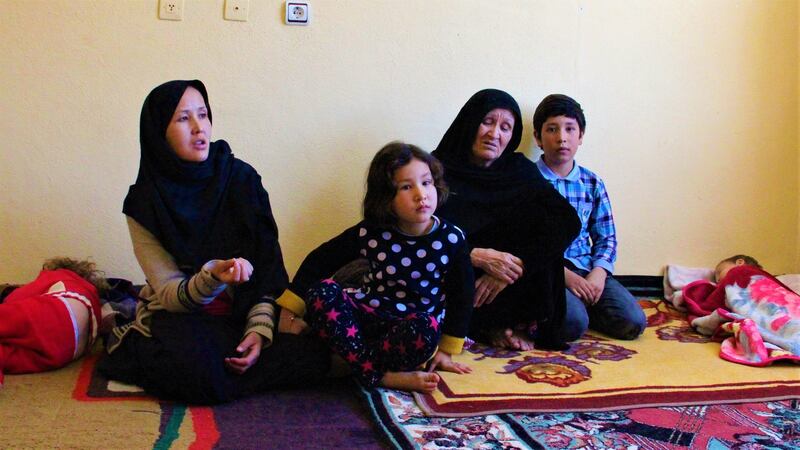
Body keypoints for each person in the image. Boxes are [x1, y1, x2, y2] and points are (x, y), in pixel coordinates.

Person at [97, 80, 330, 404]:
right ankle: (134, 341)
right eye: (182, 119)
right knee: (201, 375)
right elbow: (170, 294)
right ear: (158, 132)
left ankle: (226, 367)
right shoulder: (144, 203)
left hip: (240, 311)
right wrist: (213, 277)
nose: (198, 127)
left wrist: (258, 330)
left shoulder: (242, 180)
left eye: (203, 115)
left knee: (316, 350)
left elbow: (267, 271)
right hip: (182, 313)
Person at [275, 142, 475, 393]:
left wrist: (446, 350)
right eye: (406, 186)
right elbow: (321, 259)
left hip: (410, 330)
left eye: (426, 183)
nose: (421, 194)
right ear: (386, 197)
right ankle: (378, 375)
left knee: (426, 329)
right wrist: (289, 310)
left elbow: (462, 295)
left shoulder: (452, 238)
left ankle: (352, 362)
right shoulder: (372, 231)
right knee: (322, 292)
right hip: (366, 316)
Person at [432, 89, 581, 351]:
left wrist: (514, 267)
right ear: (469, 122)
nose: (494, 134)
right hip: (460, 278)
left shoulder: (519, 170)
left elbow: (567, 221)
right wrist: (475, 256)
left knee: (573, 324)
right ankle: (486, 327)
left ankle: (505, 324)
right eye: (487, 122)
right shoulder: (436, 169)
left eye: (505, 127)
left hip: (510, 280)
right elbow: (421, 232)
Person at [533, 94, 646, 341]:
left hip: (587, 268)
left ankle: (584, 304)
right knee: (571, 324)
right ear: (538, 138)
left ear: (580, 136)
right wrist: (565, 276)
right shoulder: (528, 180)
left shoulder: (592, 182)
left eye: (570, 129)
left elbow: (607, 238)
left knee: (633, 323)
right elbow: (526, 242)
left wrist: (599, 273)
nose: (561, 137)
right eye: (552, 129)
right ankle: (572, 311)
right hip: (550, 272)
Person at [0, 258, 107, 386]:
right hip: (65, 352)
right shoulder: (89, 293)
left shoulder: (61, 275)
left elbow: (14, 298)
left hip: (59, 312)